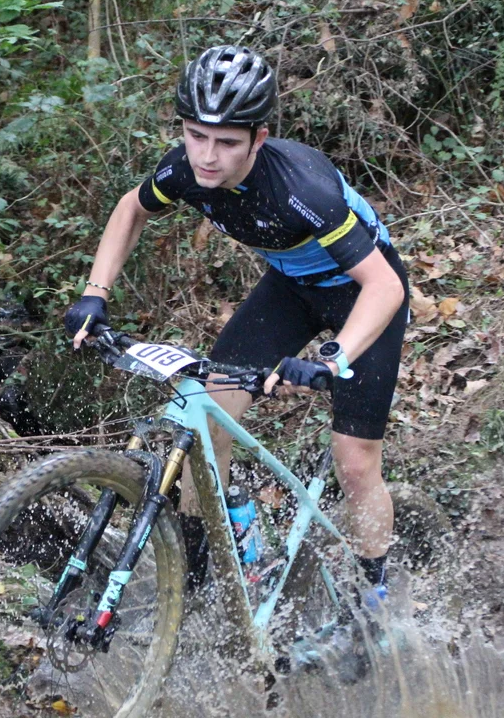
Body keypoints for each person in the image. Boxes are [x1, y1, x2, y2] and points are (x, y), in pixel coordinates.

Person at [63, 45, 409, 606]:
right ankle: (201, 579)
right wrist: (93, 294)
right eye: (195, 135)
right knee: (208, 420)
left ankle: (376, 597)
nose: (207, 156)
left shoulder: (301, 190)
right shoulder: (186, 170)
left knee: (354, 461)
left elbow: (385, 287)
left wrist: (333, 357)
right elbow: (131, 209)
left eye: (226, 142)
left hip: (364, 296)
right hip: (290, 289)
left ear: (258, 138)